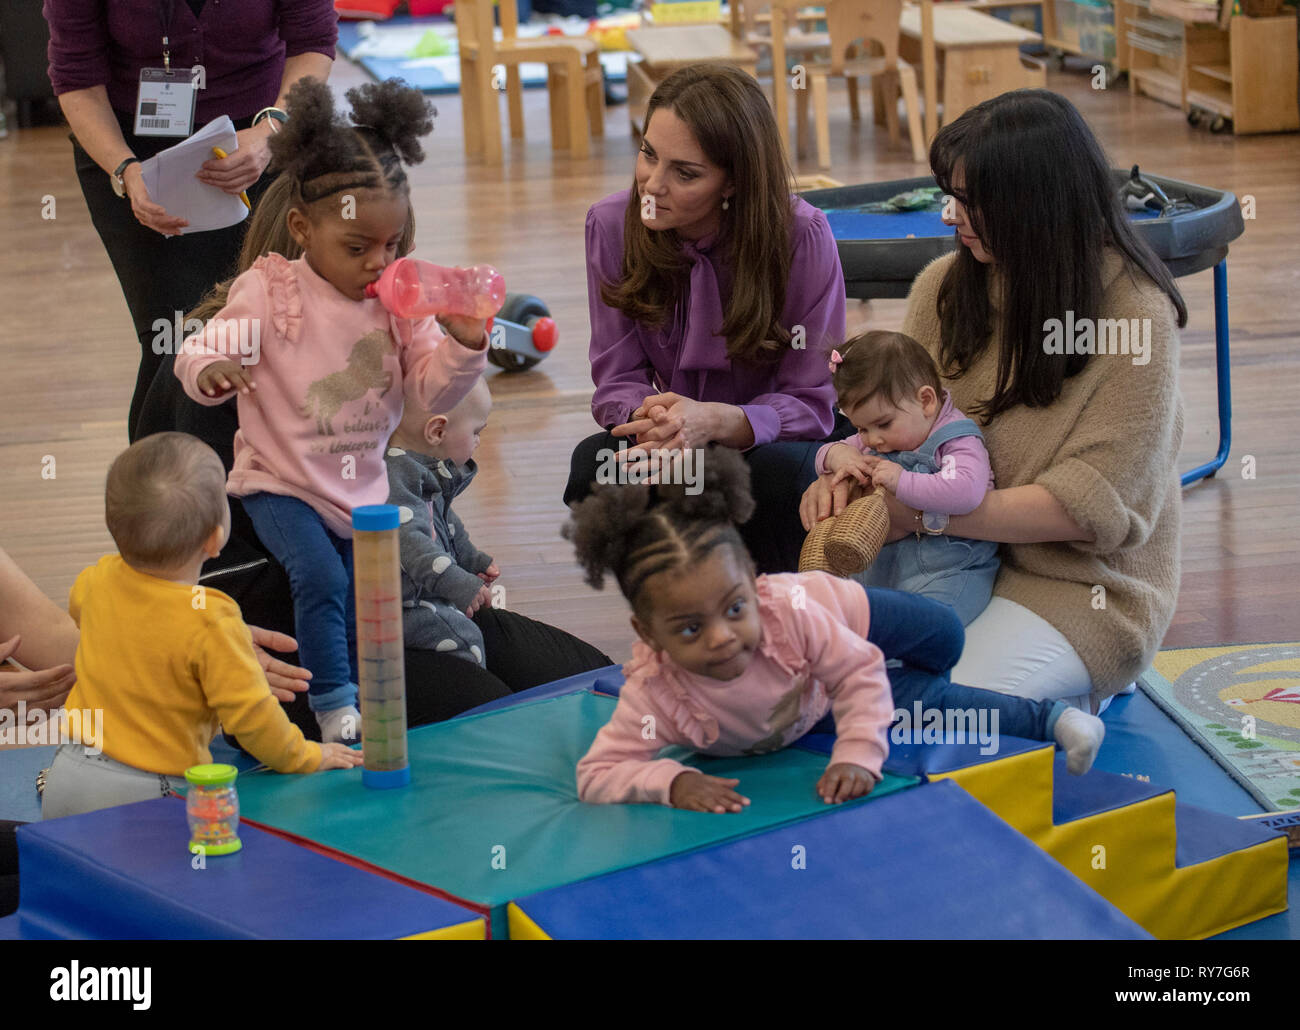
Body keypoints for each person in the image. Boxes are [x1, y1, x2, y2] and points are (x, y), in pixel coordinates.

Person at [800, 89, 1186, 714]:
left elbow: (1087, 510)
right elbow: (893, 433)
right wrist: (844, 482)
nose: (950, 217)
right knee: (813, 680)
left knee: (918, 712)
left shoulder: (1135, 318)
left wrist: (923, 513)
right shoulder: (942, 290)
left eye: (969, 202)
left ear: (1034, 206)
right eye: (950, 197)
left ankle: (1087, 688)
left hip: (1074, 588)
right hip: (937, 567)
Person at [174, 78, 490, 744]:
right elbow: (200, 348)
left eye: (392, 246)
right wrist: (215, 371)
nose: (379, 264)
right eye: (357, 248)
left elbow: (432, 399)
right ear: (302, 228)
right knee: (317, 575)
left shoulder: (397, 307)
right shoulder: (273, 290)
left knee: (357, 594)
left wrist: (463, 344)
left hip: (359, 491)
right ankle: (332, 698)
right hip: (279, 482)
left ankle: (358, 689)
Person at [568, 448, 1105, 811]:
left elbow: (858, 669)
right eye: (689, 630)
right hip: (815, 698)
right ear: (648, 633)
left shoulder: (786, 617)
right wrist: (671, 781)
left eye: (735, 610)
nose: (721, 638)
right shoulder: (654, 695)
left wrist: (857, 754)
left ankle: (939, 663)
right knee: (931, 700)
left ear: (755, 584)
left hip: (841, 609)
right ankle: (1058, 722)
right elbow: (597, 773)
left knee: (945, 634)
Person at [566, 64, 848, 574]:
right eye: (648, 154)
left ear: (734, 181)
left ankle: (773, 608)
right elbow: (617, 376)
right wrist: (660, 424)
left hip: (772, 442)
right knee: (597, 466)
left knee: (780, 474)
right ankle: (676, 613)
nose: (653, 184)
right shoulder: (610, 225)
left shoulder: (801, 235)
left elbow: (812, 401)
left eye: (686, 173)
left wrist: (720, 421)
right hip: (673, 434)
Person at [44, 0, 339, 440]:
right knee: (174, 337)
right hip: (130, 150)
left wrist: (272, 130)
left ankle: (262, 491)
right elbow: (76, 76)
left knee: (270, 330)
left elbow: (313, 42)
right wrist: (124, 170)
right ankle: (167, 498)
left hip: (263, 134)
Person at [40, 434, 363, 821]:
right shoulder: (213, 619)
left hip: (67, 772)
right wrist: (308, 755)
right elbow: (255, 721)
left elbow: (101, 619)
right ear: (216, 538)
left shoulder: (95, 581)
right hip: (148, 790)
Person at [811, 330, 999, 627]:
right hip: (888, 567)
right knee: (847, 619)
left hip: (949, 571)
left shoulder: (954, 438)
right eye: (860, 429)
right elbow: (824, 453)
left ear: (926, 401)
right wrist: (838, 457)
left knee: (928, 626)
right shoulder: (879, 435)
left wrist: (902, 481)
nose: (873, 439)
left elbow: (966, 491)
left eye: (882, 424)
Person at [386, 376, 496, 667]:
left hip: (424, 590)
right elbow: (411, 544)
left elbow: (443, 523)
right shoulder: (397, 476)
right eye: (475, 431)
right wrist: (455, 581)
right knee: (464, 637)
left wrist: (471, 559)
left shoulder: (417, 466)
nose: (478, 441)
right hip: (402, 605)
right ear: (437, 431)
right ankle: (474, 697)